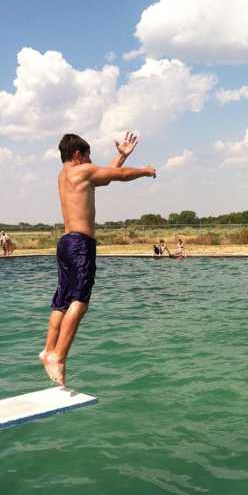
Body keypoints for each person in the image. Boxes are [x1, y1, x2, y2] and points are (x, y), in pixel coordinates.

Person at [39, 131, 156, 386]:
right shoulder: (82, 171)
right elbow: (120, 176)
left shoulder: (64, 175)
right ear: (78, 155)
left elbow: (106, 177)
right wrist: (146, 171)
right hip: (81, 245)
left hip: (65, 243)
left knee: (62, 300)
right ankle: (59, 356)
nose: (91, 161)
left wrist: (120, 156)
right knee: (80, 301)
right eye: (89, 156)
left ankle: (48, 350)